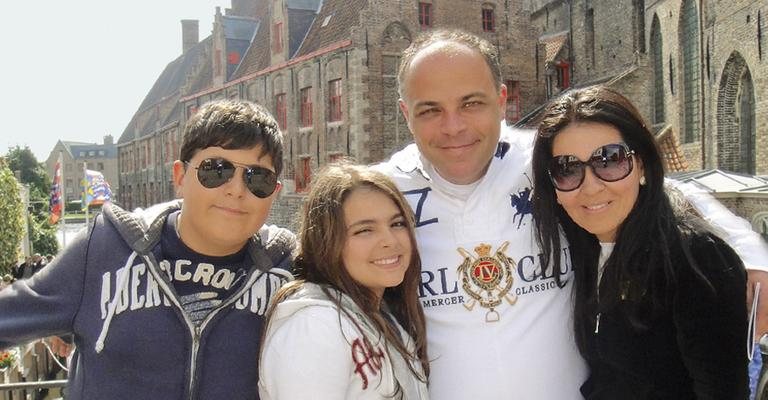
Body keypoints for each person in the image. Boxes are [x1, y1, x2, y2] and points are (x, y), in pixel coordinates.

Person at [376, 28, 766, 399]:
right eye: (430, 110)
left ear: (501, 99)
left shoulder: (548, 161)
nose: (454, 127)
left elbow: (663, 192)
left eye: (471, 103)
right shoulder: (380, 195)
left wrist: (755, 260)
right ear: (404, 113)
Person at [0, 99, 295, 400]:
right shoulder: (106, 248)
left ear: (274, 191)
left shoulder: (290, 270)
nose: (236, 189)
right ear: (180, 177)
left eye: (258, 177)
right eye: (216, 170)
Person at [531, 85, 748, 398]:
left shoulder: (694, 258)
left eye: (609, 160)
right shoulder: (585, 249)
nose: (590, 187)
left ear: (642, 164)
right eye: (567, 169)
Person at [259, 163, 429, 400]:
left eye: (397, 224)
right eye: (364, 230)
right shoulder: (315, 326)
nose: (390, 240)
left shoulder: (385, 316)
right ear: (327, 241)